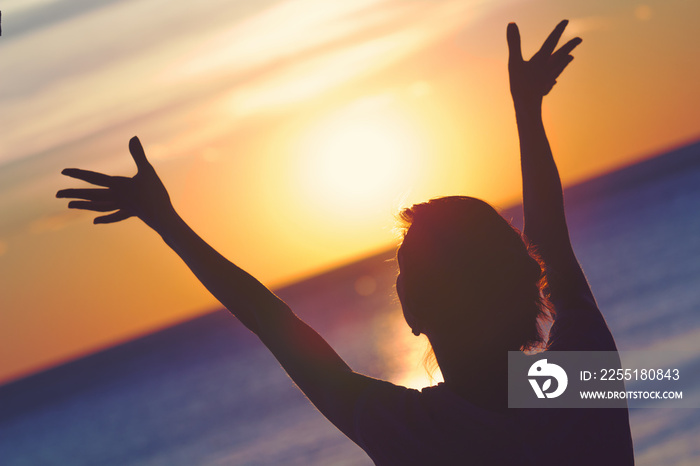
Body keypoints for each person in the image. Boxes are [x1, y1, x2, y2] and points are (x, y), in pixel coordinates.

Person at [57, 20, 634, 465]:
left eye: (406, 273)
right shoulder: (585, 374)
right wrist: (527, 111)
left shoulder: (409, 431)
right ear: (519, 284)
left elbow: (272, 321)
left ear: (411, 312)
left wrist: (169, 225)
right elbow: (551, 244)